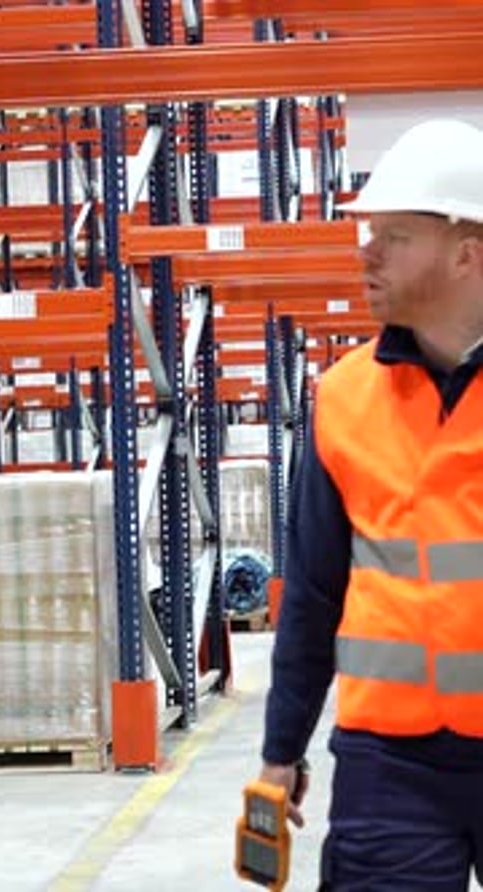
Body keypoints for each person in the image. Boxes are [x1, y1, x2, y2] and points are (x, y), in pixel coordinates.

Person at [259, 118, 483, 891]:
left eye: (395, 236)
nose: (366, 253)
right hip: (390, 764)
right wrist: (280, 752)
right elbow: (313, 594)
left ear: (467, 254)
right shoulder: (342, 399)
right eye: (368, 233)